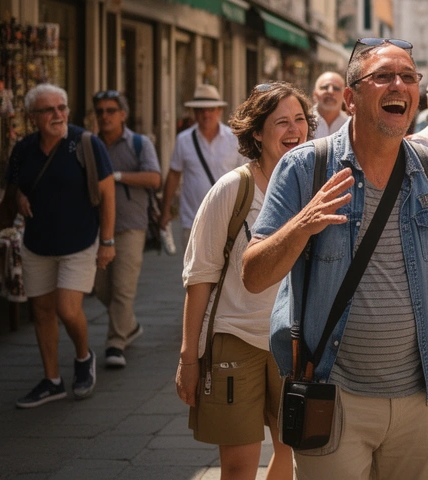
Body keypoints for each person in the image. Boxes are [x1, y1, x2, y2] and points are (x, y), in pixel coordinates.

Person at [240, 39, 428, 480]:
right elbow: (253, 274)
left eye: (409, 77)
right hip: (332, 396)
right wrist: (302, 225)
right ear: (352, 98)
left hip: (421, 399)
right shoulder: (305, 168)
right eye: (385, 76)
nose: (400, 85)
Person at [177, 82, 310, 480]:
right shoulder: (233, 190)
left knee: (293, 454)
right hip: (236, 340)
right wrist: (188, 359)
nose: (293, 130)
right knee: (237, 467)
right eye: (281, 121)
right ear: (257, 132)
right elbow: (199, 277)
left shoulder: (313, 187)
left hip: (295, 340)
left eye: (300, 120)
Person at [0, 84, 115, 408]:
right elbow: (13, 187)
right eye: (49, 110)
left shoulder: (86, 143)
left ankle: (83, 357)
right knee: (42, 312)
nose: (58, 115)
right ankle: (51, 380)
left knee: (66, 309)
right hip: (37, 243)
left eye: (62, 107)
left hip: (79, 242)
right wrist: (19, 197)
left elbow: (107, 195)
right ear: (32, 116)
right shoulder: (23, 149)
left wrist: (107, 241)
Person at [91, 90, 163, 369]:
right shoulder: (90, 144)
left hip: (131, 225)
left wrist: (115, 177)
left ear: (123, 115)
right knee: (99, 287)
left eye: (111, 110)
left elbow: (154, 178)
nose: (105, 116)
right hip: (96, 228)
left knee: (123, 288)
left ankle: (115, 343)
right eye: (100, 111)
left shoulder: (138, 143)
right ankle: (129, 324)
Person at [160, 84, 244, 240]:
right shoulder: (184, 140)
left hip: (228, 220)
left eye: (211, 110)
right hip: (193, 221)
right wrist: (165, 211)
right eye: (201, 110)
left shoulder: (234, 139)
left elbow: (246, 176)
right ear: (194, 113)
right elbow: (173, 175)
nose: (206, 115)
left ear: (219, 111)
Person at [312, 71, 349, 139]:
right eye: (325, 87)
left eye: (336, 88)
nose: (330, 91)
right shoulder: (303, 121)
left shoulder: (351, 125)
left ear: (345, 95)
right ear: (315, 94)